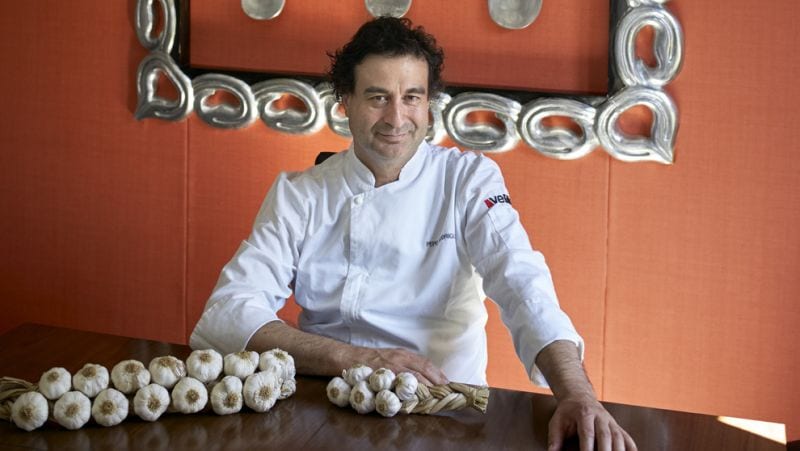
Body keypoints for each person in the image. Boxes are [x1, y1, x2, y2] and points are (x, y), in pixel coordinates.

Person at [191, 16, 636, 451]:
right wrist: (355, 359)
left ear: (428, 105)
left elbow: (522, 282)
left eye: (412, 97)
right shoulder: (299, 194)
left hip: (443, 413)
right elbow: (225, 315)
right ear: (345, 101)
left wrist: (577, 395)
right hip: (323, 405)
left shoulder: (467, 180)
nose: (396, 117)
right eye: (377, 97)